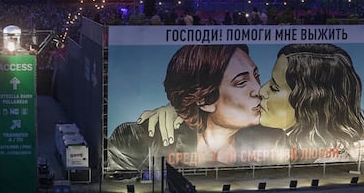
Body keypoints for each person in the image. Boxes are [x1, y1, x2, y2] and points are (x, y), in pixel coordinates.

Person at [108, 44, 282, 170]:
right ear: (204, 99)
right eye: (242, 82)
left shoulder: (275, 139)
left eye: (256, 77)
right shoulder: (139, 140)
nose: (259, 90)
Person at [259, 43, 364, 163]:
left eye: (274, 87)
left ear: (309, 100)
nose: (262, 91)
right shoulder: (298, 153)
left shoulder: (330, 163)